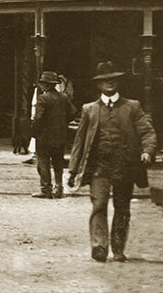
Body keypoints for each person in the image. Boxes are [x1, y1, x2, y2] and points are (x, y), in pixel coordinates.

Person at [68, 61, 156, 262]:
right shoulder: (89, 109)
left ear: (118, 82)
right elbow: (79, 142)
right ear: (98, 85)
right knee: (99, 204)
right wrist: (73, 170)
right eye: (104, 80)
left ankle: (118, 249)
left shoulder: (132, 107)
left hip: (124, 165)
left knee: (122, 206)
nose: (109, 83)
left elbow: (147, 131)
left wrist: (147, 152)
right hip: (99, 166)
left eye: (113, 79)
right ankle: (99, 247)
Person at [30, 70, 76, 198]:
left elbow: (38, 118)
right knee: (58, 162)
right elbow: (73, 112)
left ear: (46, 85)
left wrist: (34, 132)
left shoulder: (43, 98)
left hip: (44, 137)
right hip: (60, 136)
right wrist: (62, 123)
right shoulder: (64, 97)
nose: (41, 85)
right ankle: (59, 187)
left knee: (43, 163)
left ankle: (46, 190)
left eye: (43, 83)